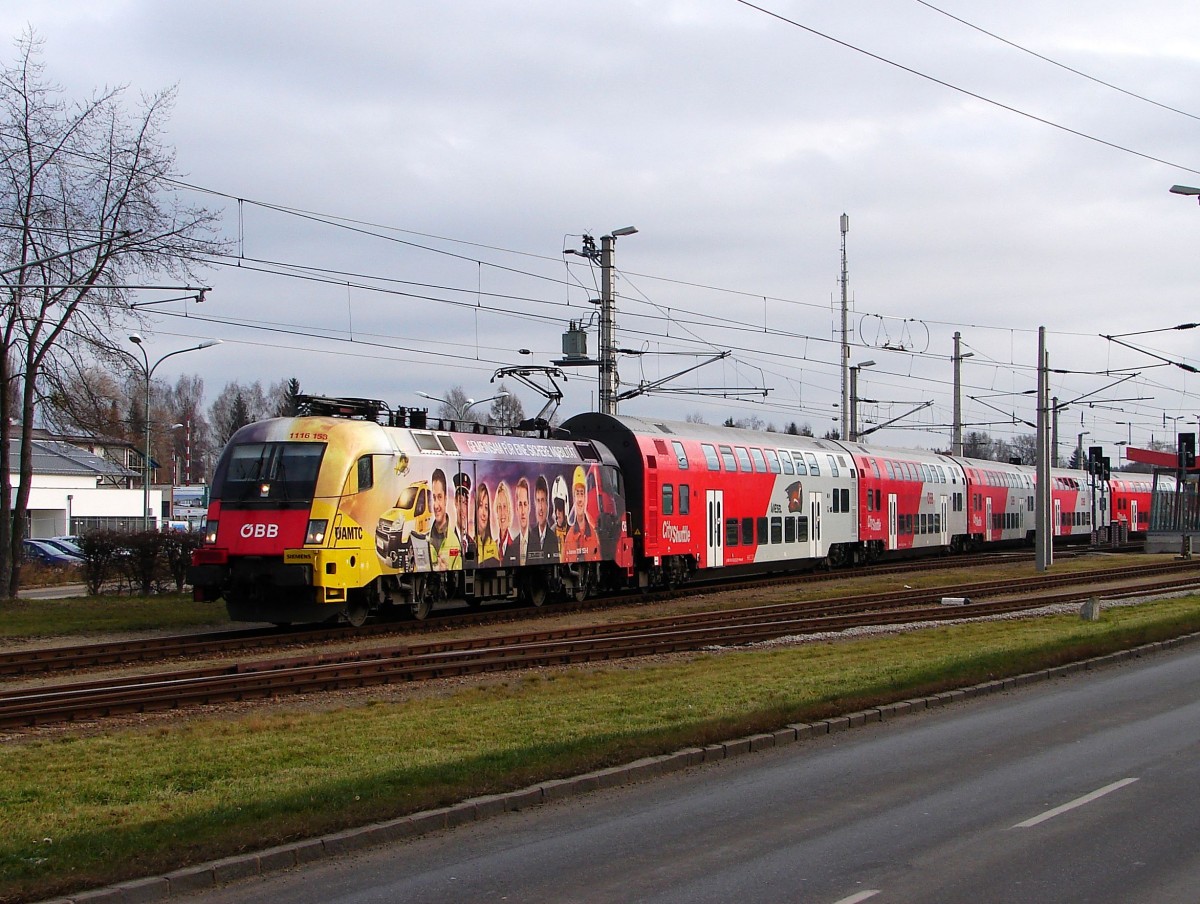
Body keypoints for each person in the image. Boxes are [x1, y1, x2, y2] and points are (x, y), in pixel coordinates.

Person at [562, 465, 600, 561]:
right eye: (577, 494)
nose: (579, 499)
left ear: (585, 497)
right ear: (574, 497)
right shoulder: (569, 537)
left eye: (582, 494)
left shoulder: (593, 534)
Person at [427, 468, 461, 570]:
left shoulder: (454, 543)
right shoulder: (425, 539)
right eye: (434, 498)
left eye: (440, 497)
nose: (436, 505)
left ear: (446, 499)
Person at [527, 474, 559, 563]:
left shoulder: (553, 539)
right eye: (538, 501)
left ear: (547, 504)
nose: (540, 507)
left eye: (543, 500)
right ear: (535, 504)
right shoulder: (529, 536)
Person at [474, 481, 500, 567]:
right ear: (476, 510)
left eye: (486, 507)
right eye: (480, 506)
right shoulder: (471, 544)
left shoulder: (493, 545)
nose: (484, 513)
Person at [454, 471, 475, 564]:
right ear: (455, 503)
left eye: (465, 503)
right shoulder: (448, 539)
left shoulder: (472, 544)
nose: (463, 509)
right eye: (461, 502)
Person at [509, 477, 531, 565]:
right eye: (520, 504)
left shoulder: (539, 542)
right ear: (516, 508)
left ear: (529, 507)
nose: (522, 511)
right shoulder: (512, 546)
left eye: (525, 504)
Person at [494, 480, 514, 565]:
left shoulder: (515, 547)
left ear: (509, 511)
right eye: (499, 507)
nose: (502, 512)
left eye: (505, 507)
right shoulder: (493, 546)